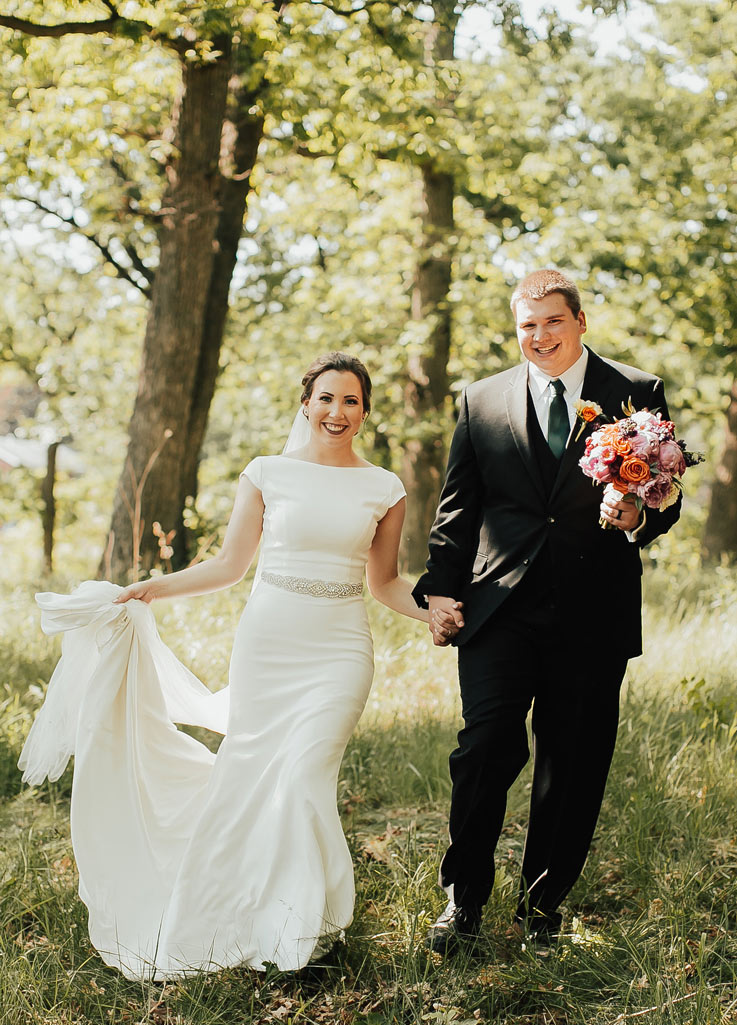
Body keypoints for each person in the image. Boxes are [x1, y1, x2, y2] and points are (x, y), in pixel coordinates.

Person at [20, 351, 450, 980]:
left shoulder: (383, 487)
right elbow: (228, 566)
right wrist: (154, 587)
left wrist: (433, 612)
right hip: (267, 650)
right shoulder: (267, 473)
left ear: (365, 411)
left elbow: (384, 582)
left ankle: (300, 929)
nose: (337, 411)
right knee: (249, 780)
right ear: (306, 404)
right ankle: (247, 917)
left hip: (339, 654)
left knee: (304, 778)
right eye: (326, 398)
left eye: (351, 401)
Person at [413, 270, 681, 955]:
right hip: (497, 605)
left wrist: (634, 516)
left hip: (593, 609)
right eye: (526, 325)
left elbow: (664, 493)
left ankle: (541, 910)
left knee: (573, 760)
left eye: (551, 322)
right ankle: (461, 900)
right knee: (482, 748)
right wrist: (440, 590)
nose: (539, 336)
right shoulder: (480, 399)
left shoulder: (635, 392)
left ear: (579, 321)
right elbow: (456, 508)